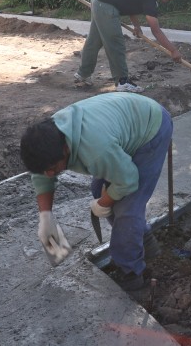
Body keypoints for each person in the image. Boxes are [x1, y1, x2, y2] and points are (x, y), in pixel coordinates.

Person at [20, 92, 172, 291]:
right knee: (98, 189)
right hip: (123, 124)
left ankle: (133, 274)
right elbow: (42, 174)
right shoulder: (48, 141)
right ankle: (143, 241)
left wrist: (104, 203)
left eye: (54, 169)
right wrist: (46, 217)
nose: (50, 175)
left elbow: (127, 181)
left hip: (151, 128)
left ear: (65, 150)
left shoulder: (95, 150)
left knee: (127, 208)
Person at [74, 0, 182, 93]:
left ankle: (83, 74)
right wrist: (173, 50)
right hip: (106, 6)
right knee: (115, 43)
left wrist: (136, 26)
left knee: (94, 41)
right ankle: (122, 82)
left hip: (99, 0)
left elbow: (131, 3)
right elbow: (156, 31)